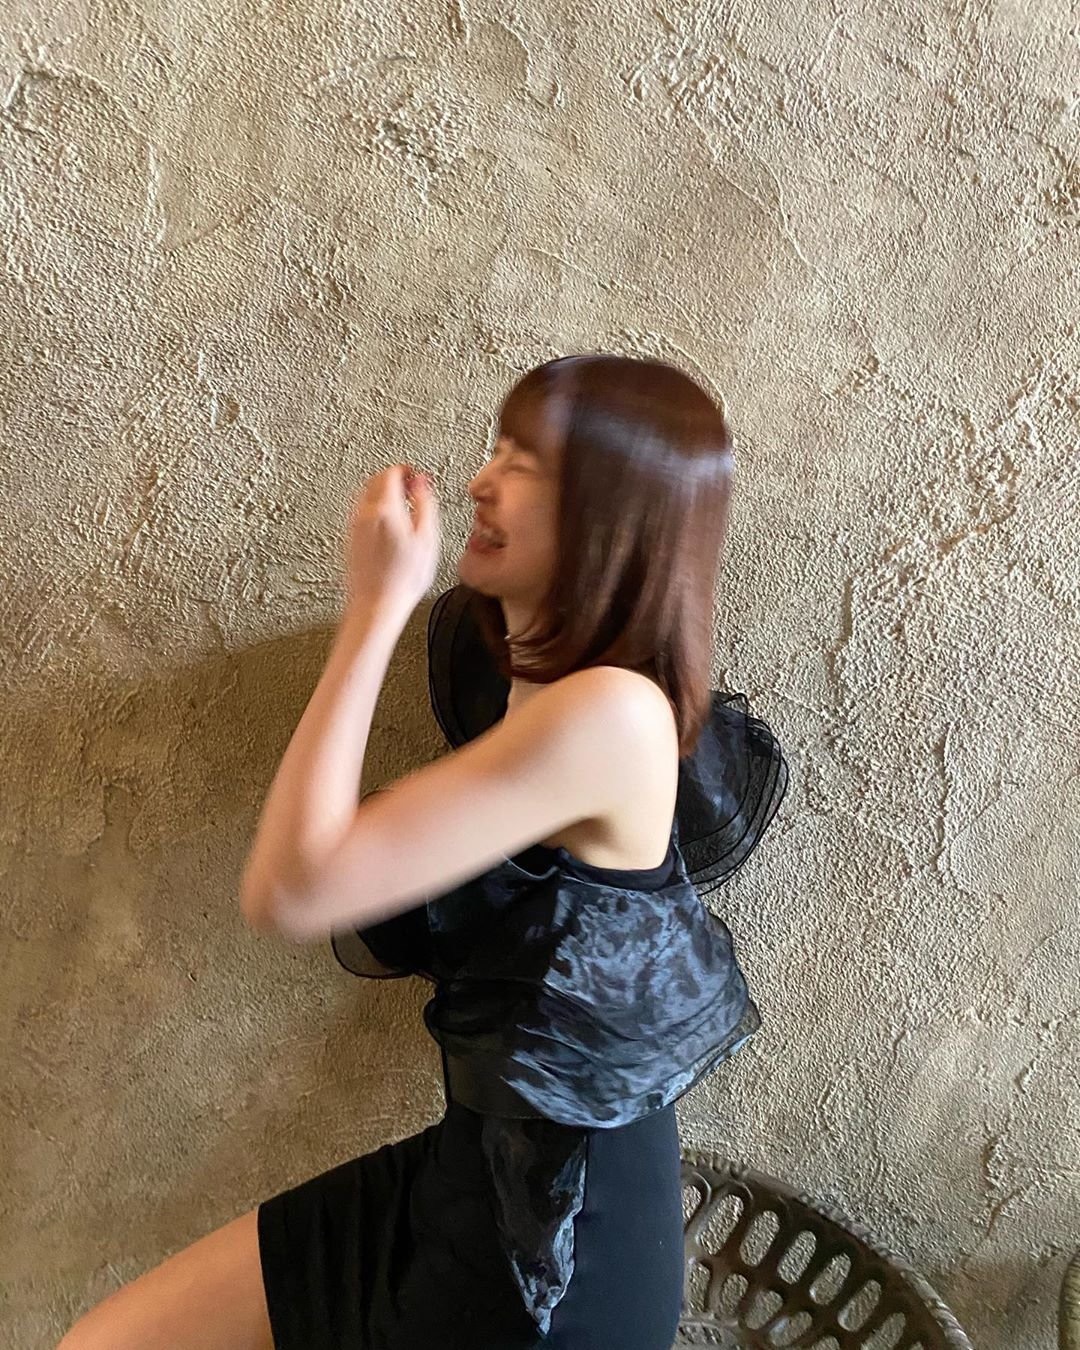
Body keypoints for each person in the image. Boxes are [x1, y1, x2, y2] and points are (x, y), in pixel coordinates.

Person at [58, 354, 787, 1350]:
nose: (482, 481)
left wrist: (373, 610)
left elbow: (295, 889)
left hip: (560, 1252)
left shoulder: (615, 713)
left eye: (527, 463)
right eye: (498, 449)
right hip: (470, 1175)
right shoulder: (522, 685)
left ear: (611, 515)